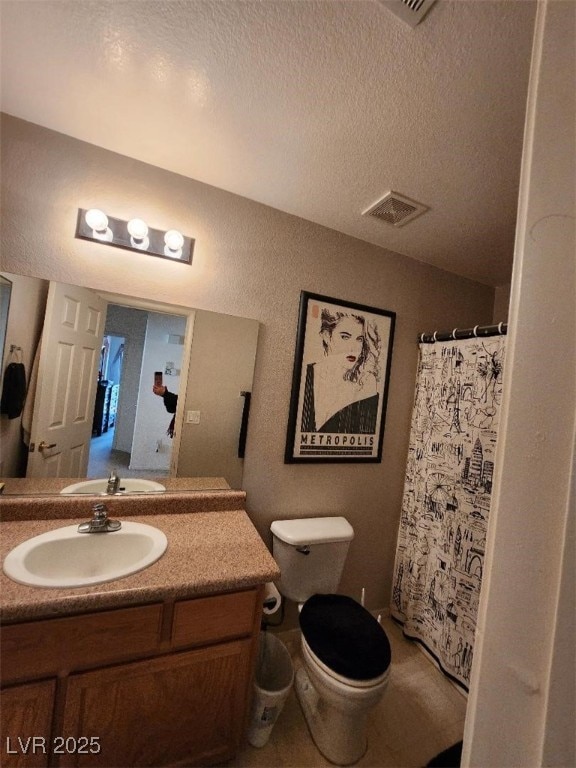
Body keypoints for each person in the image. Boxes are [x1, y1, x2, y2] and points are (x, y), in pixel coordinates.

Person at [301, 308, 381, 433]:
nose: (353, 347)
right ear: (327, 336)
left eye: (359, 339)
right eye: (345, 337)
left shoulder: (365, 382)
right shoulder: (306, 375)